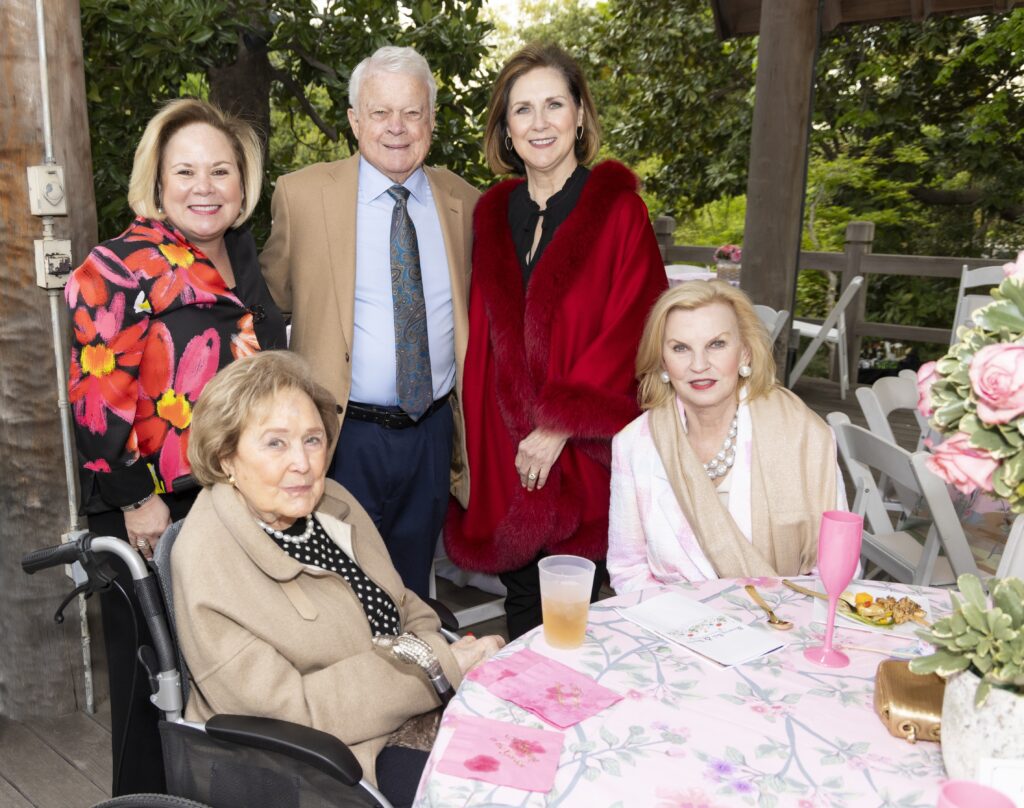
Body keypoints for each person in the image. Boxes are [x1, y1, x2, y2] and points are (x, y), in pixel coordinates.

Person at [65, 98, 286, 795]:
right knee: (153, 689)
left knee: (231, 679)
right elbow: (96, 400)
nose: (204, 186)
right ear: (156, 183)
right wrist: (136, 504)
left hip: (238, 503)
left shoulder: (239, 256)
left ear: (243, 182)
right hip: (152, 512)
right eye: (184, 171)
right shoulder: (120, 265)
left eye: (220, 171)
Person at [172, 351, 503, 807]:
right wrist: (437, 667)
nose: (303, 464)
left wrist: (440, 660)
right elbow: (292, 712)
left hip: (414, 707)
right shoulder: (209, 561)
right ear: (226, 457)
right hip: (330, 764)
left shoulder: (332, 505)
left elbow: (404, 604)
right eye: (275, 444)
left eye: (312, 440)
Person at [444, 43, 668, 639]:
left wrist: (561, 424)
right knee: (521, 608)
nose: (539, 123)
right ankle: (520, 729)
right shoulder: (491, 214)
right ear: (506, 128)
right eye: (522, 110)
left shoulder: (619, 211)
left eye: (553, 105)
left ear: (579, 115)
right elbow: (484, 338)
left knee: (578, 613)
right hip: (507, 445)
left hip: (585, 448)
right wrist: (495, 438)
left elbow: (637, 327)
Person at [261, 46, 478, 600]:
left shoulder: (465, 202)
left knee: (411, 593)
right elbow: (272, 300)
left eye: (412, 112)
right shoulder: (302, 195)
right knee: (335, 595)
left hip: (430, 435)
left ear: (432, 118)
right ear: (355, 120)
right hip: (339, 436)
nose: (397, 128)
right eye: (380, 112)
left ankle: (416, 685)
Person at [607, 281, 846, 593]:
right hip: (676, 625)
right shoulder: (634, 445)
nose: (699, 365)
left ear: (745, 353)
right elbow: (628, 569)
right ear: (662, 362)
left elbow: (839, 565)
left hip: (784, 621)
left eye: (716, 344)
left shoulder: (804, 436)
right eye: (680, 348)